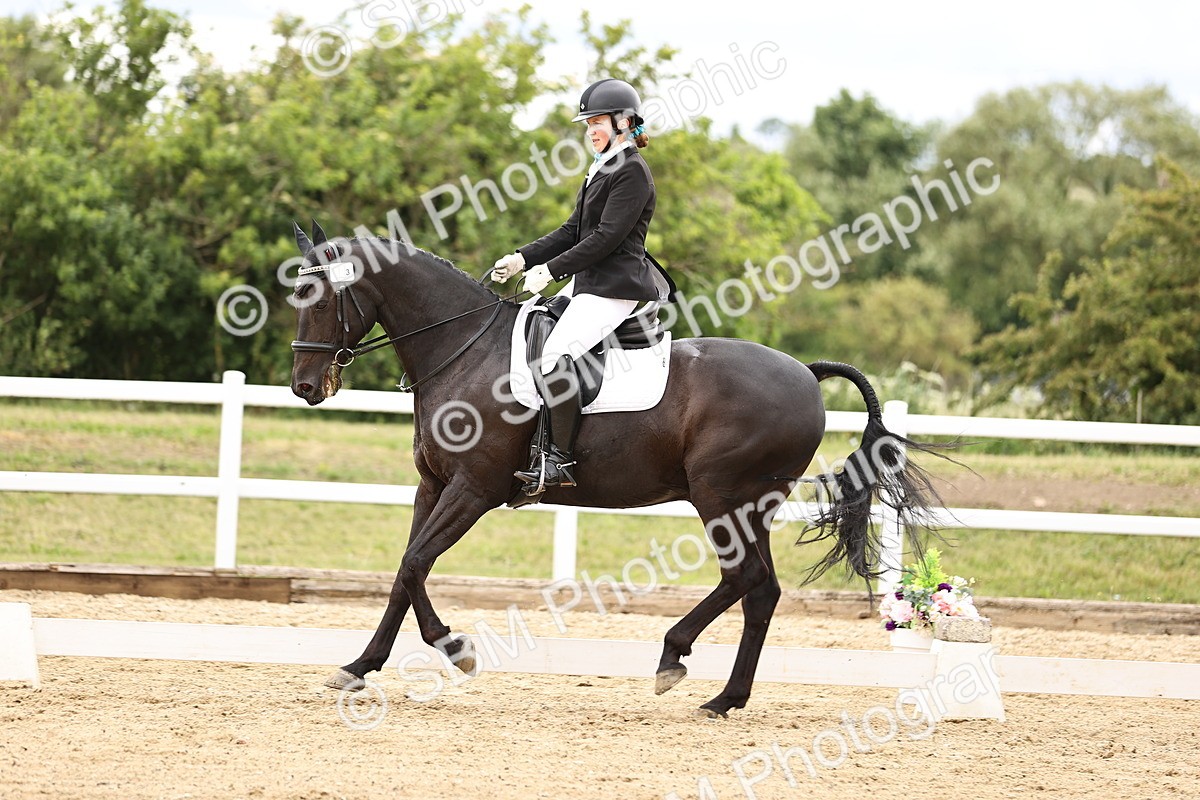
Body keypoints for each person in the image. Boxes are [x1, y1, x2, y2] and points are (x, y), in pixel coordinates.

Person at [492, 77, 669, 494]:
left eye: (597, 122)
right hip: (589, 283)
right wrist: (522, 257)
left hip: (615, 289)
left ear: (624, 123)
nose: (590, 131)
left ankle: (558, 460)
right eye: (587, 124)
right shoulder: (601, 168)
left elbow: (606, 237)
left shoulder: (632, 173)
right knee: (532, 323)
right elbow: (573, 230)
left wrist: (551, 271)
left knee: (553, 358)